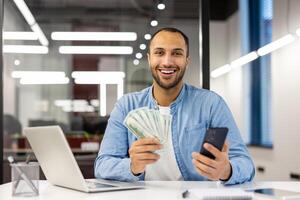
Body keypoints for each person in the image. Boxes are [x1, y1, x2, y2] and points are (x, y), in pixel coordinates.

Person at [94, 27, 255, 185]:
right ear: (149, 59)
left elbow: (246, 164)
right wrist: (132, 166)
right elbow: (102, 165)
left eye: (177, 53)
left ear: (187, 60)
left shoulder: (210, 104)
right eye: (159, 53)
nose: (167, 61)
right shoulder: (126, 106)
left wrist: (227, 171)